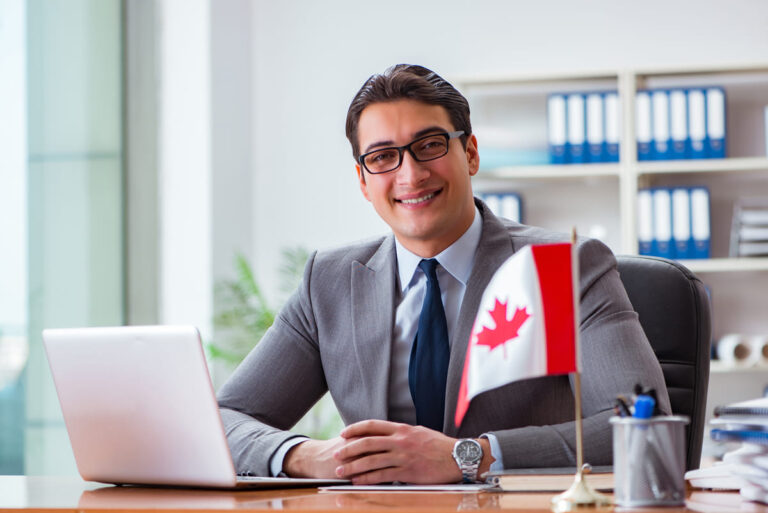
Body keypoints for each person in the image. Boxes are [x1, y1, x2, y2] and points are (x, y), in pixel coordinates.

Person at [217, 64, 670, 485]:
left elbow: (641, 425)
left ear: (470, 153)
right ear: (362, 180)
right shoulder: (330, 281)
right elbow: (225, 417)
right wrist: (303, 455)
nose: (410, 175)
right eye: (382, 157)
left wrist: (469, 455)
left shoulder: (561, 267)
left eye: (430, 146)